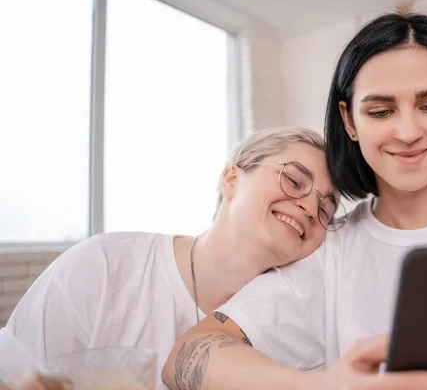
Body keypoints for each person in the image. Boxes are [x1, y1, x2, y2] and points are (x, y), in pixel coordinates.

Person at [161, 11, 427, 390]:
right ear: (348, 120)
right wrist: (322, 384)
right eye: (380, 111)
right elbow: (186, 354)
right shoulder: (329, 254)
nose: (408, 132)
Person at [0, 127, 345, 390]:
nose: (311, 207)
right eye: (295, 180)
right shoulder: (104, 267)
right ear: (232, 178)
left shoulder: (288, 322)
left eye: (327, 208)